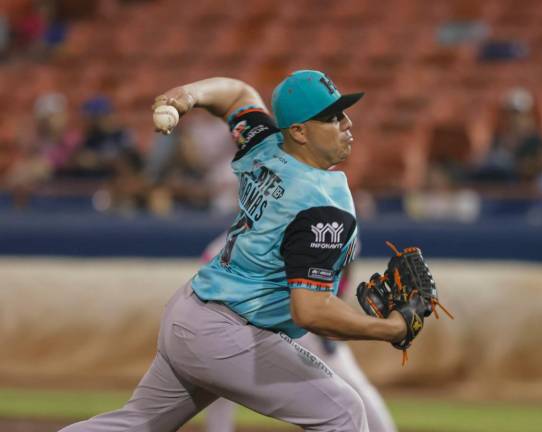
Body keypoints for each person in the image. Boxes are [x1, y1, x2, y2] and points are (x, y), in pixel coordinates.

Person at [58, 71, 409, 432]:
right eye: (332, 117)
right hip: (227, 332)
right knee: (344, 411)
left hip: (191, 310)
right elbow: (310, 311)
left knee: (135, 424)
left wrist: (187, 95)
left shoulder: (264, 144)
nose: (347, 123)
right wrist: (390, 329)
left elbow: (236, 94)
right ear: (300, 132)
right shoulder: (321, 206)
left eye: (343, 113)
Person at [200, 234, 397, 432]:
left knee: (353, 386)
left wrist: (330, 312)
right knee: (222, 381)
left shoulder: (329, 227)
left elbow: (343, 272)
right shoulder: (246, 232)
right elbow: (212, 271)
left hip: (305, 323)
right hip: (259, 323)